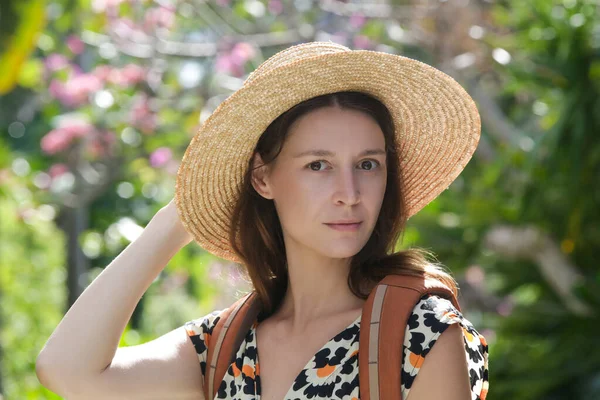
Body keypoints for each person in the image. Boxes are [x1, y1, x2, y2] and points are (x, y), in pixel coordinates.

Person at [36, 42, 489, 400]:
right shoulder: (226, 345)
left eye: (368, 165)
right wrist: (178, 216)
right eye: (318, 165)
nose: (349, 194)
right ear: (262, 177)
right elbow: (68, 371)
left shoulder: (420, 333)